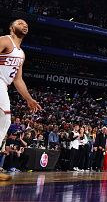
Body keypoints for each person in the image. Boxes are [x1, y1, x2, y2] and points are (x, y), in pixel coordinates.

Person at [0, 19, 42, 181]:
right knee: (5, 119)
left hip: (4, 84)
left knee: (4, 121)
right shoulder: (5, 40)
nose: (24, 25)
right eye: (20, 22)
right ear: (11, 28)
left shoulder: (21, 53)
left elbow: (18, 80)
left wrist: (29, 99)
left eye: (26, 24)